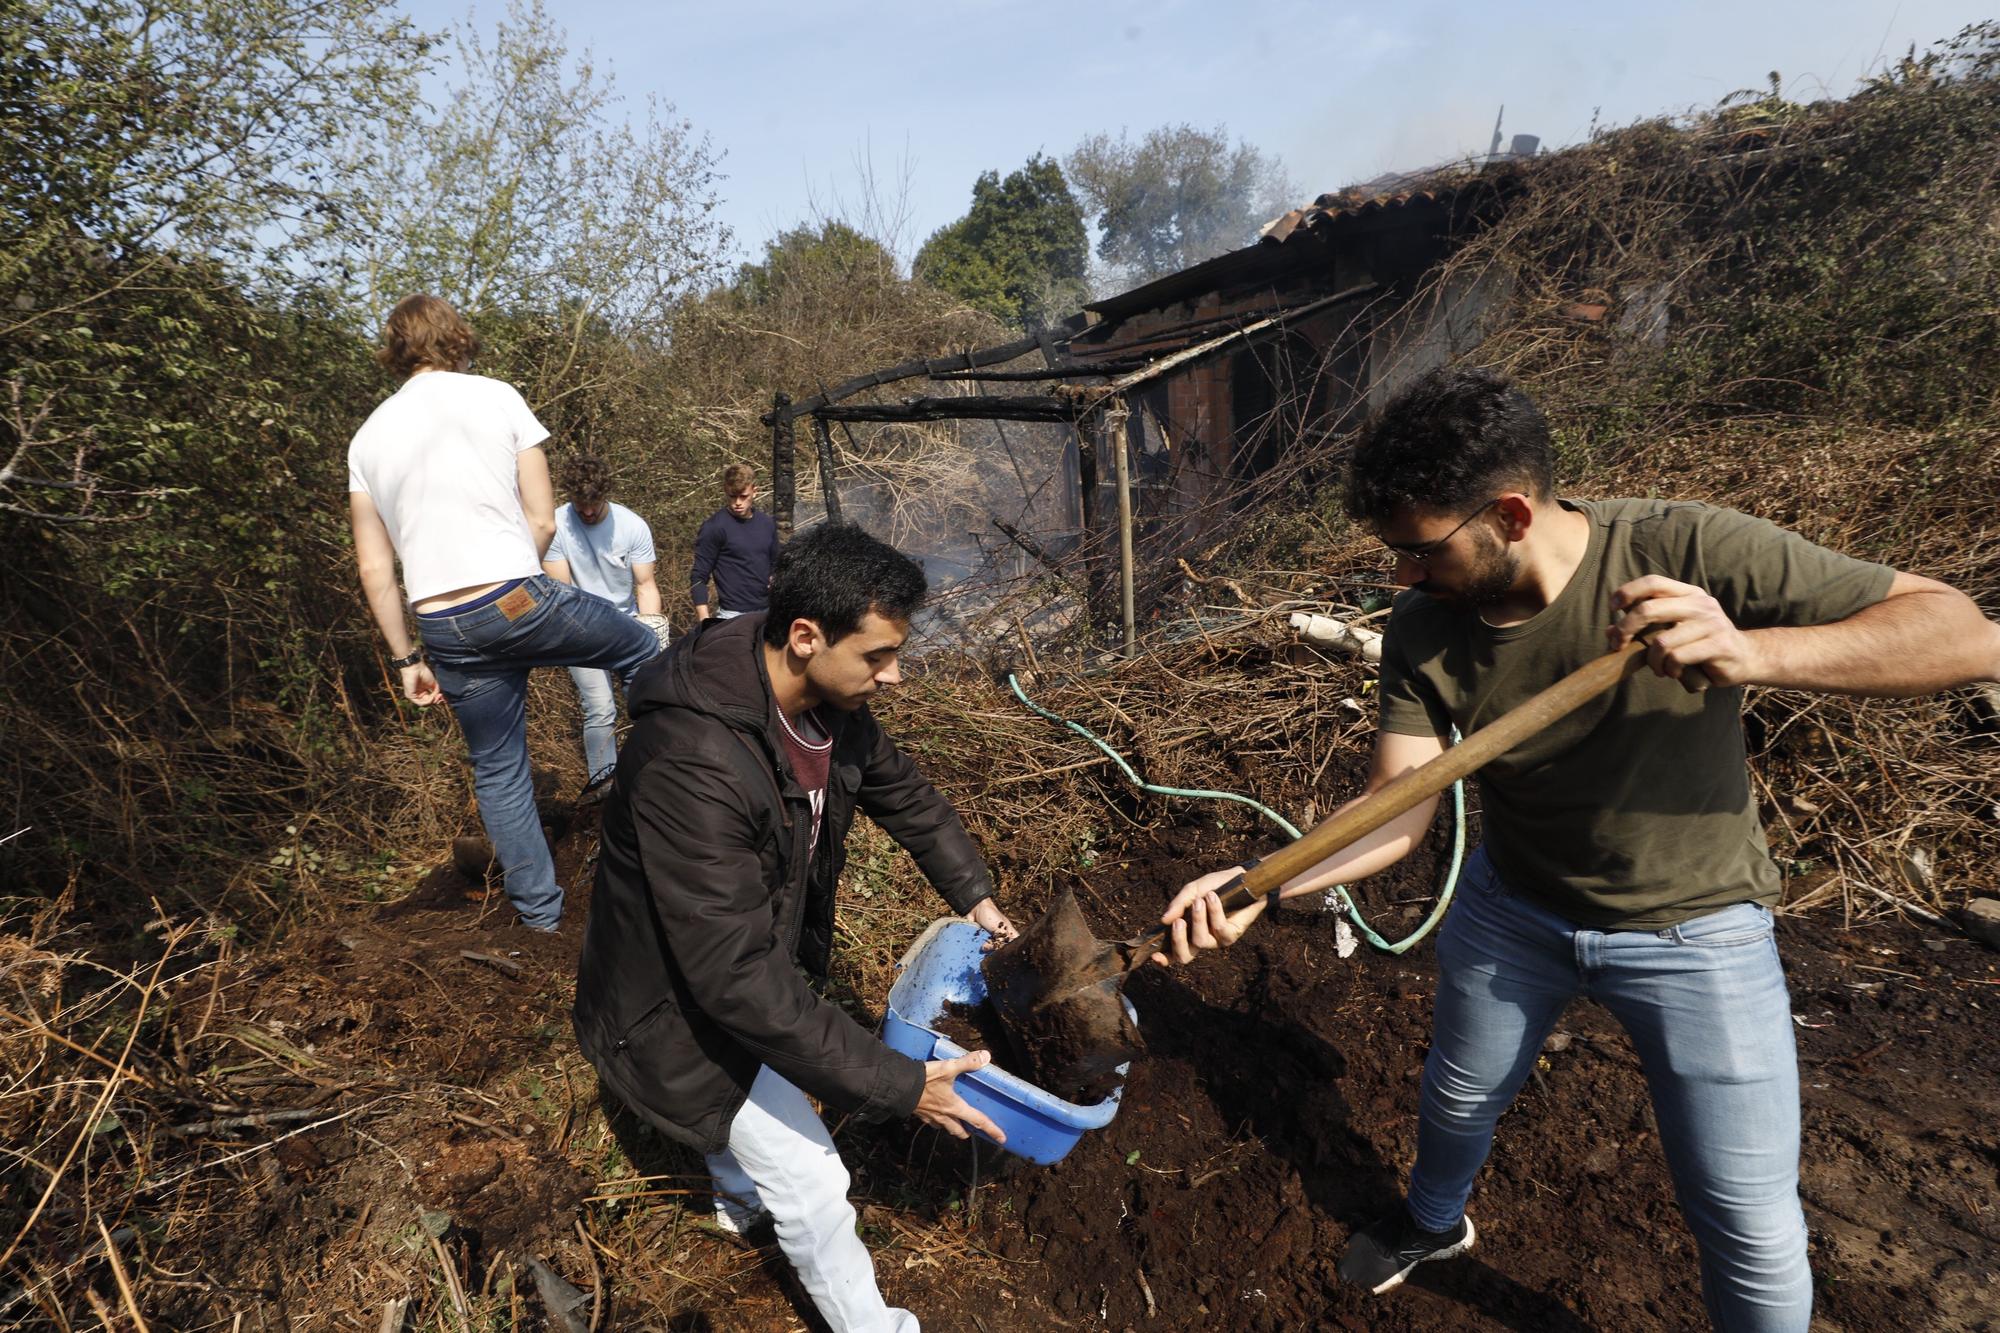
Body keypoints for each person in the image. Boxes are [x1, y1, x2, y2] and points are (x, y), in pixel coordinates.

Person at [1155, 367, 2000, 1332]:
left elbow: (1968, 635)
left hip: (1696, 931)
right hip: (1512, 911)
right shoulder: (1426, 626)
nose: (1401, 575)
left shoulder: (1683, 547)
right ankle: (1433, 1224)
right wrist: (1266, 880)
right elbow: (1399, 808)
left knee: (1746, 1219)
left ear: (1510, 512)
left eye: (1419, 550)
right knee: (1458, 1096)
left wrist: (1758, 653)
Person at [574, 522, 1019, 1333]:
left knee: (762, 1110)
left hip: (729, 971)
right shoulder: (694, 762)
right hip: (664, 1009)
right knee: (815, 1174)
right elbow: (733, 979)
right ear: (807, 637)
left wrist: (978, 900)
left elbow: (906, 796)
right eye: (879, 655)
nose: (894, 675)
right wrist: (902, 1084)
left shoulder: (825, 702)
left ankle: (739, 1198)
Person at [347, 295, 662, 931]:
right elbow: (543, 519)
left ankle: (542, 920)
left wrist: (408, 658)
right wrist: (515, 588)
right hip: (515, 596)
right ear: (455, 339)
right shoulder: (496, 395)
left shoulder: (366, 438)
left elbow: (375, 569)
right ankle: (675, 807)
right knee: (643, 649)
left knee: (498, 769)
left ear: (396, 350)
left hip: (442, 627)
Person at [542, 453, 663, 790]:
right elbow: (561, 594)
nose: (588, 512)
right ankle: (603, 788)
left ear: (605, 494)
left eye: (595, 503)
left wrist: (652, 629)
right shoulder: (556, 526)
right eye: (581, 505)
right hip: (582, 627)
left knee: (647, 703)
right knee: (599, 709)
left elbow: (646, 586)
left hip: (626, 625)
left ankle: (651, 778)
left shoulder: (632, 526)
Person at [690, 461, 781, 621]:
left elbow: (776, 564)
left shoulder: (767, 523)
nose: (738, 502)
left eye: (743, 496)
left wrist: (775, 579)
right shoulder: (715, 527)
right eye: (732, 496)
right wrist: (704, 621)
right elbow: (698, 576)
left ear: (754, 492)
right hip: (731, 615)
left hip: (768, 612)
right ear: (726, 491)